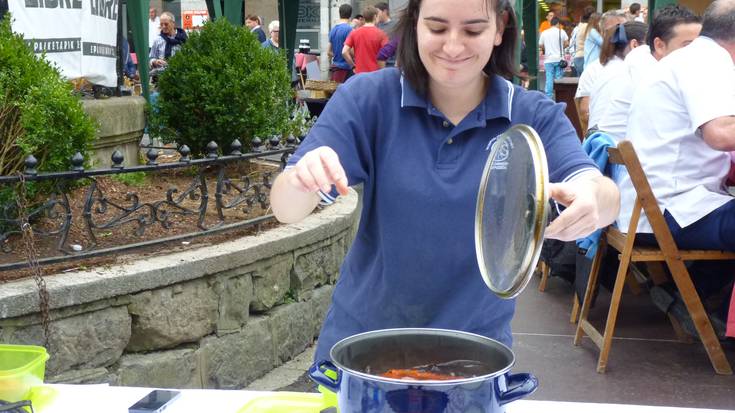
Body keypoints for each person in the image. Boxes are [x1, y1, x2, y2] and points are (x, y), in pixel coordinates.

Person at [270, 0, 620, 363]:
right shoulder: (369, 99)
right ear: (415, 25)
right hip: (363, 347)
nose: (453, 47)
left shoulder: (531, 114)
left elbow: (602, 191)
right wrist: (301, 179)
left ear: (499, 28)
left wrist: (593, 196)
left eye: (473, 30)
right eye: (437, 28)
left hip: (474, 356)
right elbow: (285, 208)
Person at [616, 0, 735, 337]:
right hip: (671, 209)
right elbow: (721, 133)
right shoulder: (708, 63)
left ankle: (688, 294)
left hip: (660, 201)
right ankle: (694, 296)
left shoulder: (693, 58)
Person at [597, 5, 701, 142]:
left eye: (700, 45)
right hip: (626, 159)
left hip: (620, 153)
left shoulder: (641, 61)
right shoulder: (650, 72)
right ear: (659, 46)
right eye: (687, 45)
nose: (698, 52)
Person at [587, 21, 648, 130]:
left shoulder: (611, 67)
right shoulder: (628, 72)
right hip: (612, 144)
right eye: (650, 47)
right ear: (635, 45)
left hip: (598, 143)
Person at [575, 10, 627, 132]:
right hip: (602, 142)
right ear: (603, 32)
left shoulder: (634, 66)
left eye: (624, 30)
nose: (619, 35)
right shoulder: (594, 70)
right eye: (613, 30)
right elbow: (584, 113)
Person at [342, 6, 388, 74]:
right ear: (375, 16)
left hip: (359, 74)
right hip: (375, 74)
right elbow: (384, 55)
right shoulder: (381, 34)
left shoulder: (354, 33)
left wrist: (353, 66)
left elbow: (344, 52)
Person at [539, 17, 569, 97]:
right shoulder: (561, 32)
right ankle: (559, 96)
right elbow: (567, 43)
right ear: (558, 23)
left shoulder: (544, 33)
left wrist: (547, 48)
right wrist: (561, 48)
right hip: (559, 59)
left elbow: (541, 45)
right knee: (558, 78)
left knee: (549, 79)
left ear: (550, 23)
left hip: (548, 59)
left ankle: (549, 96)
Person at [328, 4, 354, 82]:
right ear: (350, 15)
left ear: (339, 14)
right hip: (346, 69)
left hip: (335, 69)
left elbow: (328, 52)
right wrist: (354, 64)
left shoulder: (333, 30)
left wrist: (337, 54)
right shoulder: (350, 29)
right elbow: (352, 52)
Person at [569, 6, 595, 76]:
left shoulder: (578, 27)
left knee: (580, 83)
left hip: (577, 56)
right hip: (584, 57)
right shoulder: (589, 28)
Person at [375, 2, 397, 67]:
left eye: (377, 12)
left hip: (392, 62)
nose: (376, 15)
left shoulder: (396, 24)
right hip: (378, 61)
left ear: (384, 11)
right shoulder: (376, 26)